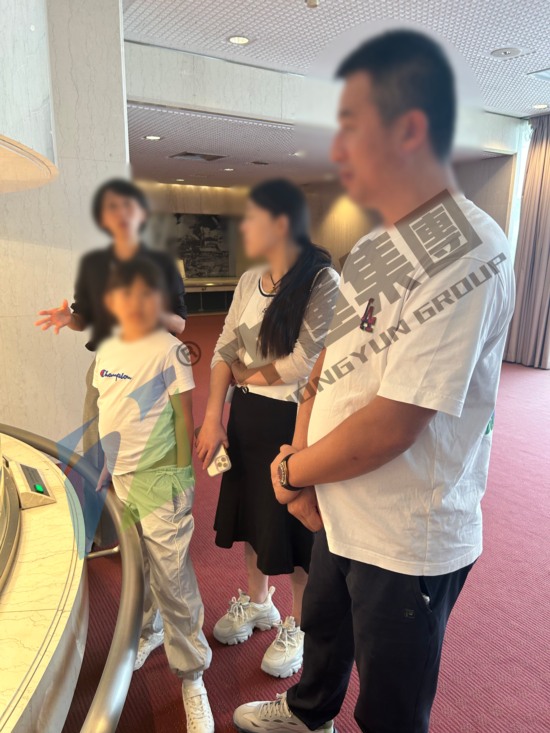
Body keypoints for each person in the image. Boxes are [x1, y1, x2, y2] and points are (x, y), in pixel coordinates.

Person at [234, 30, 515, 733]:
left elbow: (394, 422)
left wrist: (291, 469)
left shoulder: (468, 250)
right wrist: (301, 470)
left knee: (391, 702)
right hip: (338, 504)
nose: (339, 150)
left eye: (352, 129)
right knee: (324, 635)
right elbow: (325, 365)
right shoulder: (373, 248)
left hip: (407, 533)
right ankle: (308, 715)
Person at [196, 179, 339, 679]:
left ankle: (298, 625)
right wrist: (212, 417)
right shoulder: (250, 280)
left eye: (251, 220)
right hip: (248, 419)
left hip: (294, 422)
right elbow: (223, 349)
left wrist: (244, 372)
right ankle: (259, 604)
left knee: (295, 528)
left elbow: (304, 362)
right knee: (254, 519)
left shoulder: (321, 281)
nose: (243, 230)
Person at [93, 257, 213, 733]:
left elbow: (185, 416)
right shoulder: (106, 348)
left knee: (172, 577)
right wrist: (107, 462)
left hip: (161, 477)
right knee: (139, 565)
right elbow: (110, 411)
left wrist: (183, 474)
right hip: (122, 477)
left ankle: (193, 674)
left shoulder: (170, 349)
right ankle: (149, 629)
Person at [35, 178, 187, 469]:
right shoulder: (93, 266)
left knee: (148, 442)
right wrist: (70, 319)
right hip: (106, 363)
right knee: (96, 440)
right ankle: (98, 493)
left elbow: (179, 325)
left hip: (150, 365)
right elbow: (83, 319)